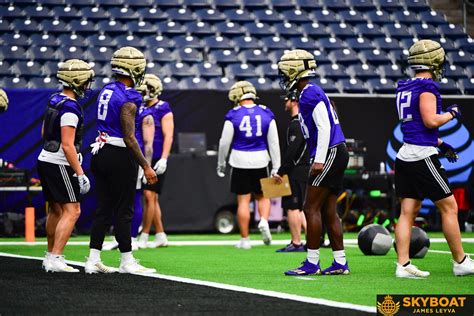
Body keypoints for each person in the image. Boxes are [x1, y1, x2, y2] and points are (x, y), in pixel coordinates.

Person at [393, 39, 474, 278]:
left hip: (406, 153)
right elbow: (430, 121)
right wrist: (451, 113)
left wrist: (440, 143)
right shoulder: (427, 87)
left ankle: (403, 265)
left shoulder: (404, 86)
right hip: (421, 157)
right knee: (449, 207)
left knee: (408, 211)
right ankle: (460, 261)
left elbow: (416, 126)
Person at [85, 46, 157, 274]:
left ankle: (93, 259)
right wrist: (146, 165)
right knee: (124, 210)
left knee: (103, 209)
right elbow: (128, 136)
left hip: (100, 150)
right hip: (118, 153)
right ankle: (127, 261)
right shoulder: (129, 95)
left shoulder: (107, 89)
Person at [278, 50, 349, 275]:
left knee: (310, 207)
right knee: (328, 210)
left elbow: (324, 127)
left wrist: (318, 160)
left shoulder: (309, 93)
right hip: (335, 151)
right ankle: (340, 262)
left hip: (329, 152)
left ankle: (312, 262)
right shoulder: (309, 92)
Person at [37, 59, 94, 272]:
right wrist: (80, 173)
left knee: (55, 210)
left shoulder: (55, 99)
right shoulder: (70, 107)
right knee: (73, 210)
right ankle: (56, 257)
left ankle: (49, 256)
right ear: (77, 80)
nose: (88, 86)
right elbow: (68, 145)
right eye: (86, 81)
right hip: (59, 163)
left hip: (45, 159)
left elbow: (44, 133)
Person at [217, 81, 280, 249]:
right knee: (263, 196)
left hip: (239, 159)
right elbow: (274, 142)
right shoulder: (266, 112)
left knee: (243, 201)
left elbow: (224, 142)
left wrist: (221, 163)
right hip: (261, 159)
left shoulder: (234, 114)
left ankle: (245, 240)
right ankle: (264, 221)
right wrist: (276, 166)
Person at [136, 74, 173, 249]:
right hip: (143, 157)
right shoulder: (141, 106)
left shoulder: (163, 107)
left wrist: (164, 157)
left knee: (150, 196)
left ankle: (144, 234)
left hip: (156, 157)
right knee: (152, 198)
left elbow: (168, 135)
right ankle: (160, 234)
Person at [274, 91, 308, 252]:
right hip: (303, 169)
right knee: (300, 207)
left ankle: (296, 243)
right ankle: (312, 240)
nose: (285, 103)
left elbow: (292, 151)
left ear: (294, 101)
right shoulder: (305, 122)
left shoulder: (297, 124)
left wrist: (281, 171)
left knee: (293, 207)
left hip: (296, 170)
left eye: (287, 100)